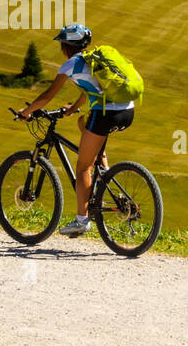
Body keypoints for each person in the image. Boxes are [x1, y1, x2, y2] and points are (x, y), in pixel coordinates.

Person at [17, 24, 134, 237]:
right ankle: (104, 174)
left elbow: (48, 95)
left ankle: (82, 220)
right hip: (127, 111)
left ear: (67, 46)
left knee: (82, 168)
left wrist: (27, 111)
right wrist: (72, 108)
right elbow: (90, 90)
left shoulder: (70, 64)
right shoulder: (93, 59)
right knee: (84, 124)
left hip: (106, 114)